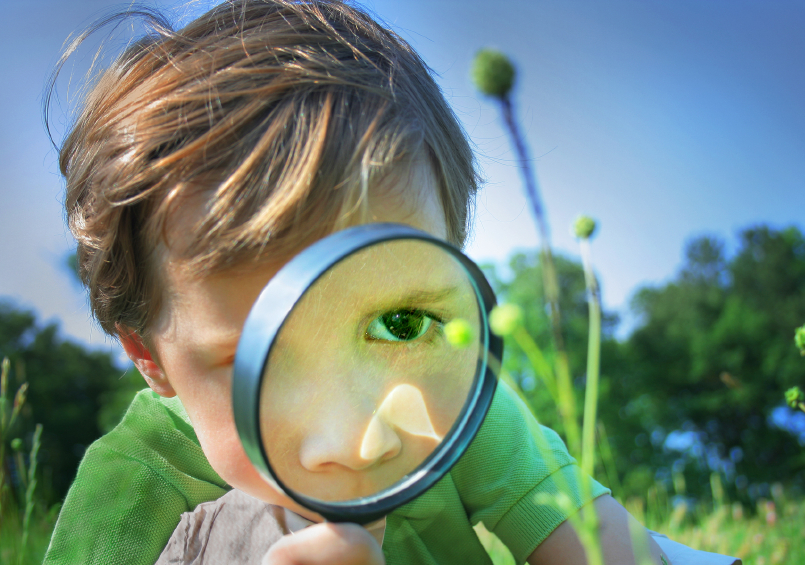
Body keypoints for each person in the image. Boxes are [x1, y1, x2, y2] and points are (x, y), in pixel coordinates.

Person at [41, 1, 697, 563]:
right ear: (150, 358)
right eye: (258, 362)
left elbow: (609, 551)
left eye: (401, 325)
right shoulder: (134, 476)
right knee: (246, 523)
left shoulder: (460, 407)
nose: (359, 439)